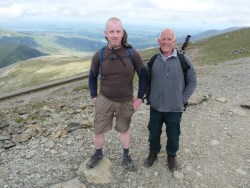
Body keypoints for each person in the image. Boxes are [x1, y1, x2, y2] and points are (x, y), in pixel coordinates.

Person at [87, 17, 147, 171]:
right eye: (111, 31)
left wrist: (140, 97)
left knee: (124, 129)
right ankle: (98, 153)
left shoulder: (132, 53)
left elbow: (143, 74)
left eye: (118, 31)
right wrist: (94, 96)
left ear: (122, 33)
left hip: (126, 100)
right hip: (104, 99)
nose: (114, 35)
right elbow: (92, 76)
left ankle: (126, 155)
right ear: (105, 33)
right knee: (98, 130)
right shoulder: (99, 55)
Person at [144, 28, 197, 172]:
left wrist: (182, 99)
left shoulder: (183, 60)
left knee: (173, 135)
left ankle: (171, 156)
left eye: (169, 39)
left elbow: (192, 81)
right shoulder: (153, 60)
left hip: (175, 107)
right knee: (153, 132)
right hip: (155, 107)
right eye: (163, 38)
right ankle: (153, 152)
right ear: (159, 41)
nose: (166, 42)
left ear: (174, 42)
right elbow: (145, 80)